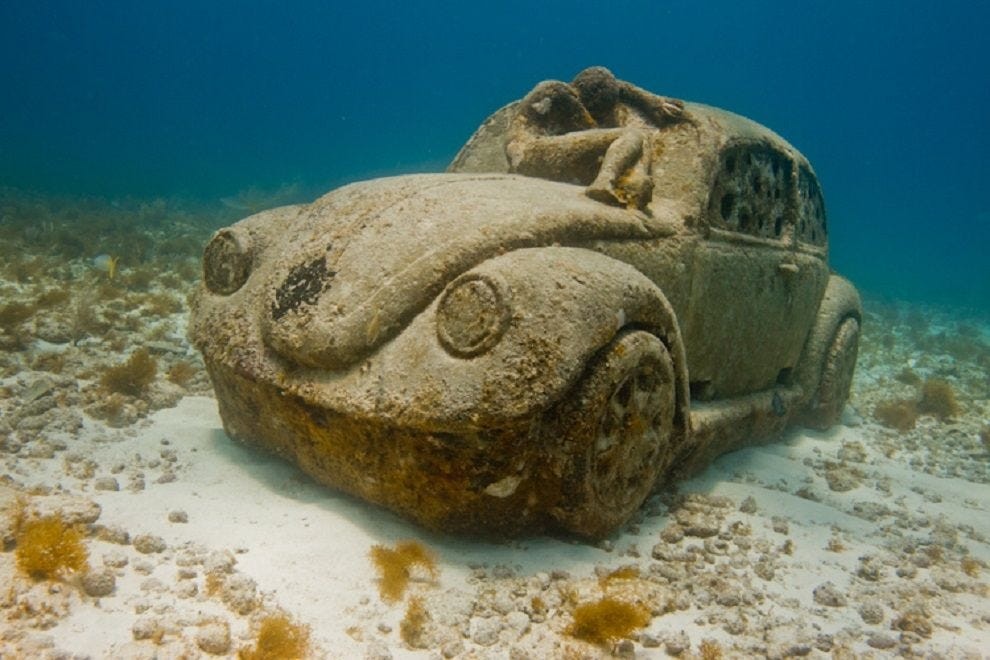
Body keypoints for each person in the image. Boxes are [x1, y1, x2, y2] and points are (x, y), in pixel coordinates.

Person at [505, 67, 686, 211]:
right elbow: (594, 130)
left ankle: (636, 179)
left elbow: (616, 86)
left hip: (525, 155)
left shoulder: (563, 89)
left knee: (633, 140)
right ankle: (605, 182)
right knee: (631, 135)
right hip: (529, 154)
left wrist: (653, 101)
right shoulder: (560, 94)